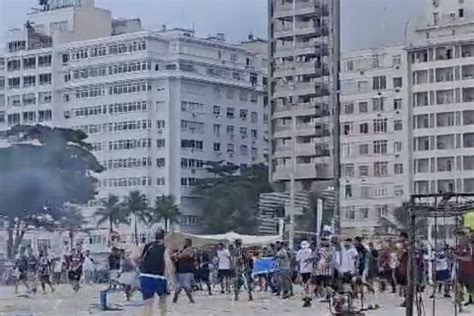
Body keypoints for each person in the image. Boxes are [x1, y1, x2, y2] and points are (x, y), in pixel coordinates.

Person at [138, 229, 168, 316]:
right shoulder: (165, 247)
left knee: (148, 303)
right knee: (163, 300)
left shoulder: (148, 245)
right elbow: (168, 262)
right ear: (164, 237)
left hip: (145, 275)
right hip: (159, 277)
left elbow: (138, 258)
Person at [172, 238, 195, 303]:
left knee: (185, 285)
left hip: (186, 269)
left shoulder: (189, 249)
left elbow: (182, 255)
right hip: (181, 269)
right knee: (180, 285)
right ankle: (176, 299)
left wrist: (177, 255)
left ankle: (190, 299)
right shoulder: (183, 249)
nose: (184, 243)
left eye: (186, 242)